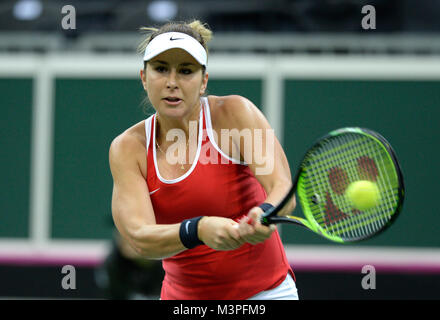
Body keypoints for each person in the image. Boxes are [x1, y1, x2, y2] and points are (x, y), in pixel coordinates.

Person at [109, 20, 298, 300]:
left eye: (186, 71)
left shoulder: (236, 113)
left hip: (267, 294)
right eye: (161, 69)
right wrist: (197, 229)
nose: (172, 82)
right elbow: (140, 237)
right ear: (144, 77)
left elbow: (282, 186)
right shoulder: (128, 148)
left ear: (203, 82)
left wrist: (266, 212)